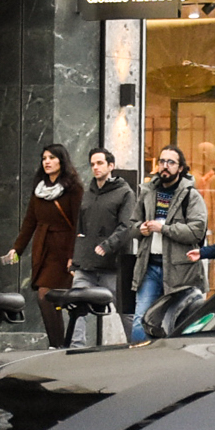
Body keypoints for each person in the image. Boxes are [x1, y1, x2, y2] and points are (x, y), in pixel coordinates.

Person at [5, 144, 81, 347]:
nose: (46, 161)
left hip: (63, 250)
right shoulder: (39, 189)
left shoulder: (74, 189)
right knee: (47, 297)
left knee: (46, 296)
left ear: (61, 161)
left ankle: (59, 345)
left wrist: (73, 256)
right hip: (43, 249)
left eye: (51, 158)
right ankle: (58, 344)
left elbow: (77, 224)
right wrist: (17, 249)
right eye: (44, 158)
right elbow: (30, 221)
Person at [132, 144, 209, 341]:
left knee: (173, 323)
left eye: (171, 162)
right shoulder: (147, 192)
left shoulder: (191, 196)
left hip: (180, 272)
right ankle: (137, 364)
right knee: (140, 320)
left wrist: (164, 228)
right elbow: (131, 224)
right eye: (162, 161)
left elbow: (196, 231)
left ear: (180, 168)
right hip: (149, 266)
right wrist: (139, 229)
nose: (165, 166)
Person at [68, 146, 139, 347]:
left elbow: (127, 226)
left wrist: (107, 246)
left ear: (111, 166)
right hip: (86, 264)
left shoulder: (125, 193)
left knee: (125, 312)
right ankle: (75, 347)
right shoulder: (87, 193)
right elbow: (79, 227)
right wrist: (74, 257)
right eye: (92, 164)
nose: (96, 168)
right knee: (76, 307)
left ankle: (138, 347)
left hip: (114, 265)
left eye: (100, 163)